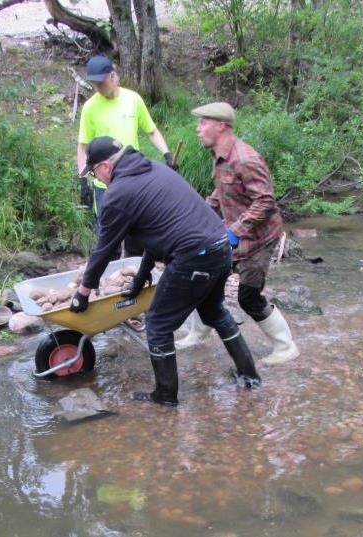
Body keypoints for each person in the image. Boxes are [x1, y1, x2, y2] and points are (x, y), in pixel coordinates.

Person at [69, 136, 261, 406]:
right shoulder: (154, 168)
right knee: (214, 310)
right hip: (220, 247)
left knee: (158, 325)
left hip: (195, 255)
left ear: (104, 166)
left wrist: (83, 292)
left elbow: (104, 249)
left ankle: (166, 396)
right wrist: (140, 276)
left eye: (94, 173)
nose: (96, 180)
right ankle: (250, 377)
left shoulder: (118, 192)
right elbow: (157, 234)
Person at [175, 102, 300, 366]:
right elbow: (222, 192)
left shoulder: (246, 158)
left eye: (203, 123)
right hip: (234, 236)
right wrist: (199, 213)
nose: (198, 129)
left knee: (248, 297)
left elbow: (265, 202)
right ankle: (198, 334)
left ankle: (286, 347)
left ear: (221, 126)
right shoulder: (219, 156)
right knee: (204, 279)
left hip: (259, 240)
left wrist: (235, 231)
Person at [76, 55, 175, 255]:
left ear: (113, 76)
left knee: (136, 239)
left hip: (133, 181)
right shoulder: (90, 108)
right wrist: (82, 177)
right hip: (104, 185)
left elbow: (151, 131)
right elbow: (83, 146)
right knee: (107, 240)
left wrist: (167, 154)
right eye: (94, 84)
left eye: (101, 83)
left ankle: (134, 280)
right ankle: (107, 281)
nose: (98, 88)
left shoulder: (133, 99)